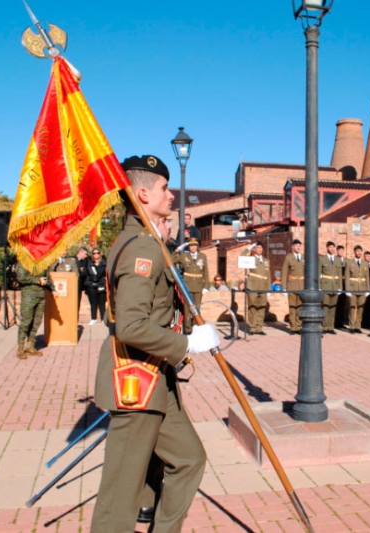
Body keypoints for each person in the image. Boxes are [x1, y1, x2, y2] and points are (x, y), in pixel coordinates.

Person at [91, 154, 219, 533]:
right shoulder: (142, 247)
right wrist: (188, 344)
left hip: (155, 376)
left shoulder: (146, 241)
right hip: (136, 378)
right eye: (165, 187)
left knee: (189, 459)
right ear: (142, 193)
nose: (172, 194)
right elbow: (131, 326)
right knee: (120, 494)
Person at [16, 262, 50, 359]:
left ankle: (30, 346)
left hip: (41, 295)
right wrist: (37, 280)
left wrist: (53, 289)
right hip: (29, 296)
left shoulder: (42, 263)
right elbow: (22, 277)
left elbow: (47, 278)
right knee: (26, 322)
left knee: (36, 322)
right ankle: (20, 348)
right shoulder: (24, 262)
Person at [175, 237, 209, 334]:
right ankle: (188, 329)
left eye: (195, 245)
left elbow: (206, 272)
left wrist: (206, 286)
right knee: (187, 309)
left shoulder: (202, 256)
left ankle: (196, 328)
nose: (193, 247)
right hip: (188, 286)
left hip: (198, 286)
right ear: (188, 246)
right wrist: (179, 249)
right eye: (191, 245)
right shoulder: (184, 256)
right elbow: (172, 259)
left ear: (197, 246)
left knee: (197, 309)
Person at [244, 241, 271, 335]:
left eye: (261, 248)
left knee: (262, 307)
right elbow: (242, 255)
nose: (260, 249)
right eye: (258, 248)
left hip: (263, 286)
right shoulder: (250, 259)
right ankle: (252, 328)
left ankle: (259, 328)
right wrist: (249, 247)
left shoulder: (266, 260)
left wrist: (269, 288)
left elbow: (268, 274)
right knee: (252, 306)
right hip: (253, 285)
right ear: (254, 249)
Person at [280, 239, 304, 334]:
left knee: (300, 307)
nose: (298, 247)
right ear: (292, 247)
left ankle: (298, 326)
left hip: (301, 285)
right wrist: (284, 287)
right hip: (292, 285)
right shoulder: (289, 257)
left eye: (299, 245)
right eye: (296, 245)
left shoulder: (303, 257)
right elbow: (284, 272)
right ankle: (293, 327)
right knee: (292, 306)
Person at [318, 241, 343, 334]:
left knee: (333, 307)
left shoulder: (337, 260)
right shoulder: (322, 259)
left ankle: (330, 327)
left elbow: (339, 274)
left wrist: (340, 287)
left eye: (333, 247)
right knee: (325, 306)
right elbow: (318, 273)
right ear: (327, 248)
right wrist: (319, 287)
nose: (332, 249)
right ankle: (324, 327)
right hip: (325, 285)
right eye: (330, 247)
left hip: (335, 286)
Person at [344, 245, 369, 334]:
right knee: (352, 307)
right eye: (357, 251)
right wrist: (347, 290)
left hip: (362, 288)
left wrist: (367, 289)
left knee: (361, 308)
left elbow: (367, 277)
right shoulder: (350, 263)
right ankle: (352, 326)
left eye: (360, 251)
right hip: (352, 287)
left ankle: (358, 325)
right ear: (354, 252)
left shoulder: (365, 263)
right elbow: (347, 277)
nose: (359, 252)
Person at [85, 248, 108, 326]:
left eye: (97, 253)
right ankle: (93, 318)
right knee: (93, 302)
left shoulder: (104, 263)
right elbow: (89, 272)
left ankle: (103, 319)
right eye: (94, 253)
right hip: (91, 284)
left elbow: (104, 273)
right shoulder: (89, 263)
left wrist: (100, 280)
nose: (96, 254)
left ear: (100, 254)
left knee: (102, 303)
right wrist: (95, 279)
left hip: (101, 284)